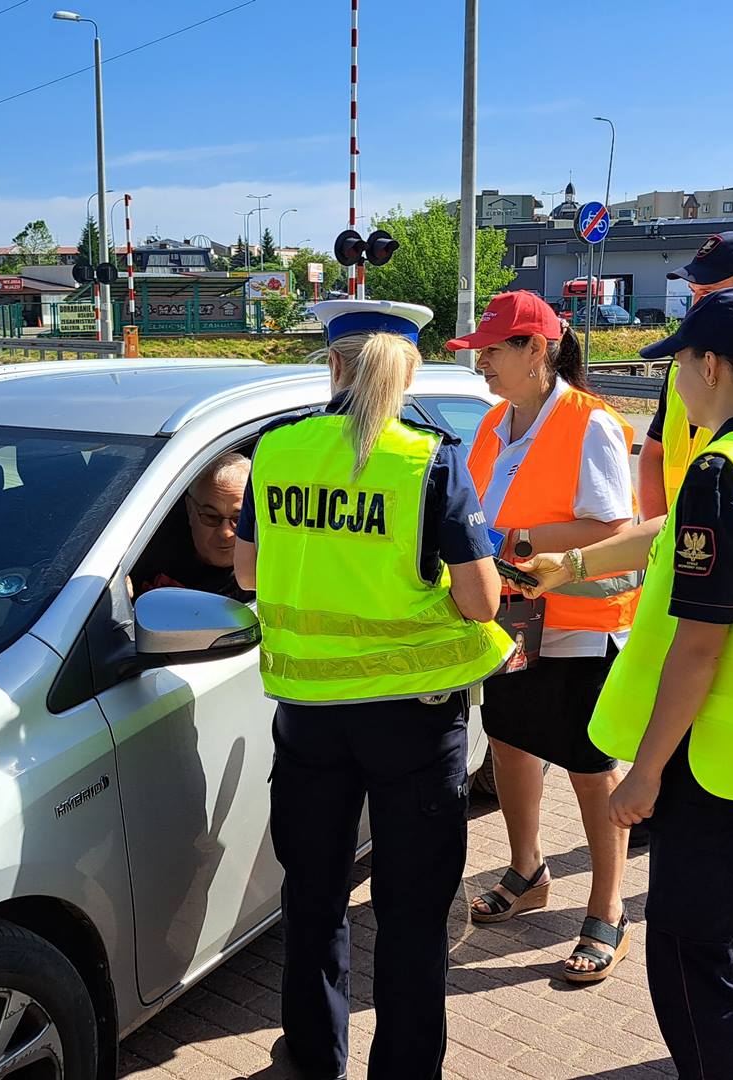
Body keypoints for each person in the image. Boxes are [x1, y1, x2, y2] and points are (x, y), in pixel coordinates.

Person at [520, 288, 733, 1080]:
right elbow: (675, 543)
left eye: (678, 370)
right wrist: (581, 564)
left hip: (714, 765)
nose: (672, 389)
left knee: (695, 975)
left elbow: (698, 645)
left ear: (708, 366)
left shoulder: (722, 470)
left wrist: (646, 773)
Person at [234, 299, 512, 1080]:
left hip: (310, 718)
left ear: (333, 364)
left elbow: (250, 573)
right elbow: (481, 601)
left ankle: (314, 1061)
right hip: (415, 725)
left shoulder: (277, 450)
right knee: (413, 916)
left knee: (313, 901)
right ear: (409, 368)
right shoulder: (428, 457)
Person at [444, 290, 640, 984]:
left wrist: (515, 540)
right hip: (512, 620)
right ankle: (528, 869)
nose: (484, 365)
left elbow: (615, 530)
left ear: (536, 350)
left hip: (581, 624)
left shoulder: (593, 424)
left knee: (591, 767)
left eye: (493, 351)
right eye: (481, 353)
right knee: (510, 743)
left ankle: (607, 906)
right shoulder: (496, 421)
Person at [640, 231, 733, 517]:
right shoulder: (684, 359)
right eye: (694, 293)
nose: (697, 306)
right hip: (672, 540)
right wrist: (657, 541)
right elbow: (653, 452)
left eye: (708, 293)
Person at [129, 452, 254, 603]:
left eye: (239, 519)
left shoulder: (262, 576)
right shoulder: (143, 540)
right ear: (189, 509)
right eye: (211, 516)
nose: (226, 532)